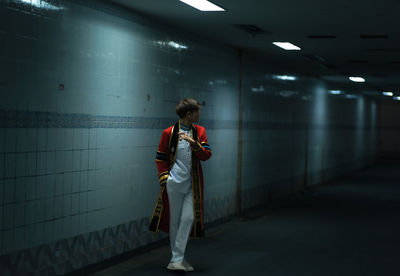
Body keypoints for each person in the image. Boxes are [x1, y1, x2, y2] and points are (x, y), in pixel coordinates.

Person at [149, 98, 212, 272]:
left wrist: (194, 144)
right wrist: (165, 178)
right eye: (197, 111)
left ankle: (176, 258)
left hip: (193, 184)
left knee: (189, 218)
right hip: (174, 183)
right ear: (189, 114)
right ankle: (177, 259)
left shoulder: (199, 132)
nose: (200, 114)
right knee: (174, 221)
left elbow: (207, 155)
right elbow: (160, 158)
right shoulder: (169, 133)